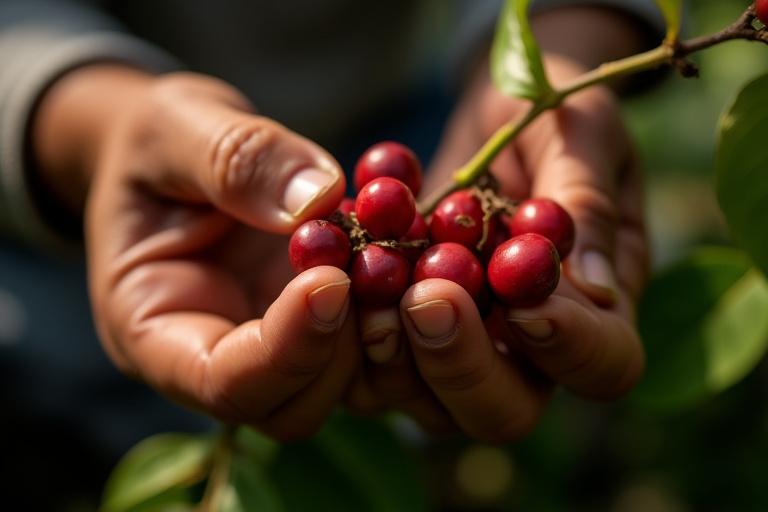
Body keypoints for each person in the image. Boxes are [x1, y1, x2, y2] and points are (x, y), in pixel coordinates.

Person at [0, 0, 661, 457]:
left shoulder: (414, 201)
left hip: (409, 112)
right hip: (88, 192)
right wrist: (97, 124)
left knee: (407, 344)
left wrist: (564, 49)